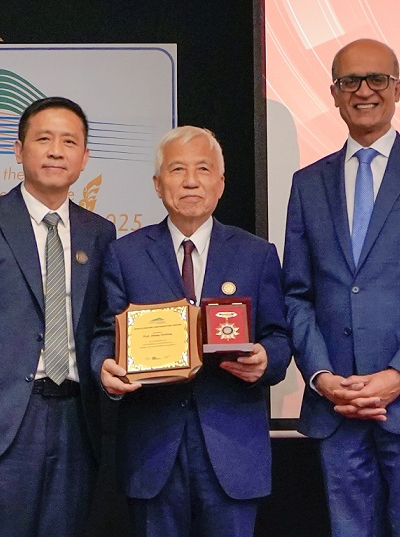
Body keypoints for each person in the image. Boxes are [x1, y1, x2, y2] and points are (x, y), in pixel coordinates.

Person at [283, 39, 400, 536]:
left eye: (377, 79)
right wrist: (321, 377)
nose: (363, 90)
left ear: (398, 89)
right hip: (337, 404)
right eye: (350, 81)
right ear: (333, 92)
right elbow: (296, 295)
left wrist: (398, 376)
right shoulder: (307, 183)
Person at [0, 96, 116, 537]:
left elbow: (104, 322)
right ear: (18, 149)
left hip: (75, 418)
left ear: (84, 158)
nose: (56, 151)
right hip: (2, 416)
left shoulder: (100, 232)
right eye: (43, 139)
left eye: (69, 142)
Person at [92, 126, 291, 537]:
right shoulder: (125, 254)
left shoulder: (256, 254)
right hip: (152, 449)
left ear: (221, 183)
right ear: (157, 183)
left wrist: (267, 359)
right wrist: (104, 367)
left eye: (203, 169)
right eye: (177, 169)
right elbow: (103, 334)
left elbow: (279, 335)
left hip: (233, 448)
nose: (190, 181)